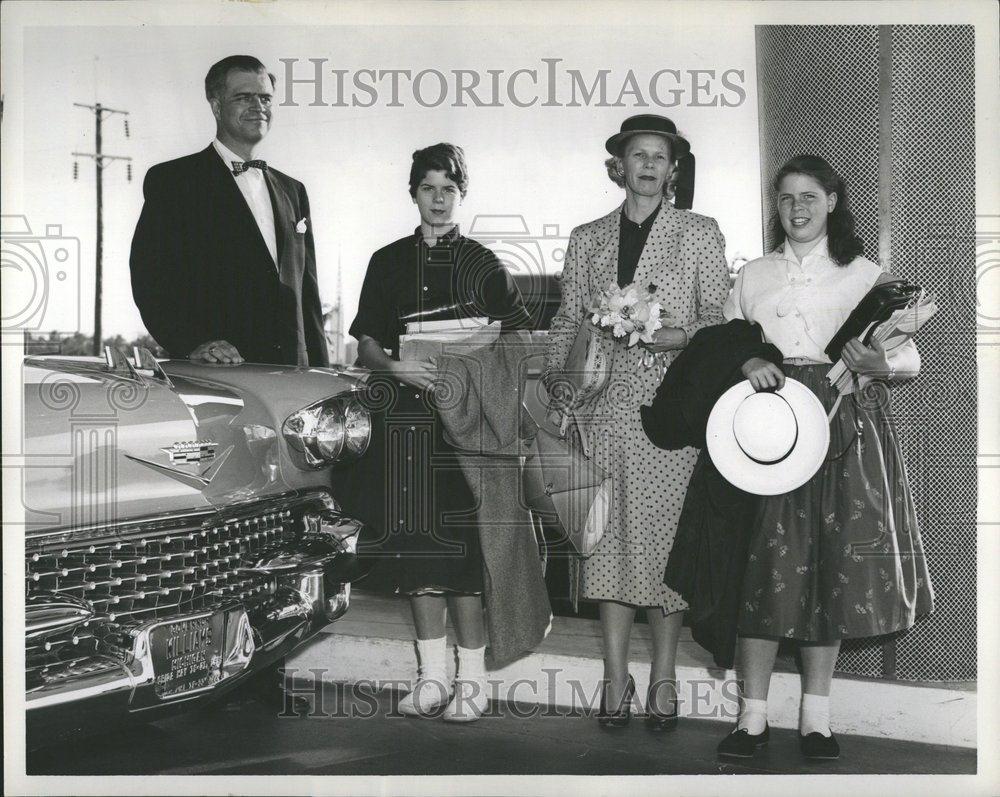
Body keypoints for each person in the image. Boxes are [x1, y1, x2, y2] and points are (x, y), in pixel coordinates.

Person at [717, 154, 934, 760]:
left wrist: (878, 364)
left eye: (810, 196)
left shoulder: (866, 274)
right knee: (761, 565)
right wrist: (746, 360)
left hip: (845, 428)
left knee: (829, 567)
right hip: (768, 428)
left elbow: (909, 361)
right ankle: (752, 718)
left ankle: (816, 720)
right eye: (786, 198)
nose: (798, 208)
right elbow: (725, 342)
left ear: (832, 202)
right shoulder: (754, 274)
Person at [543, 115, 731, 730]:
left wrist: (675, 334)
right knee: (606, 546)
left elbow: (720, 320)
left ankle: (666, 676)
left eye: (659, 157)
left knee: (662, 549)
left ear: (674, 169)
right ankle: (615, 676)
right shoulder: (586, 237)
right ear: (618, 166)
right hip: (599, 412)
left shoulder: (699, 233)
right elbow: (567, 322)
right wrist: (558, 392)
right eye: (637, 155)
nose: (648, 166)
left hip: (670, 414)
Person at [347, 143, 539, 722]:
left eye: (448, 189)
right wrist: (399, 366)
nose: (438, 198)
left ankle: (471, 681)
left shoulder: (485, 262)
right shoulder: (385, 261)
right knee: (419, 551)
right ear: (413, 192)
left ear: (461, 195)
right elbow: (369, 344)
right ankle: (431, 678)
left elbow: (516, 343)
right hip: (407, 423)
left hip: (472, 427)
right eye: (428, 188)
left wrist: (470, 365)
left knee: (465, 552)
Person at [130, 55, 328, 367]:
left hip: (293, 373)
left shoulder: (294, 191)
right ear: (217, 106)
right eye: (243, 97)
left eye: (265, 98)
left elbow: (308, 297)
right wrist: (193, 343)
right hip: (218, 370)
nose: (258, 106)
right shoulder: (174, 180)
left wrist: (320, 372)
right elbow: (150, 279)